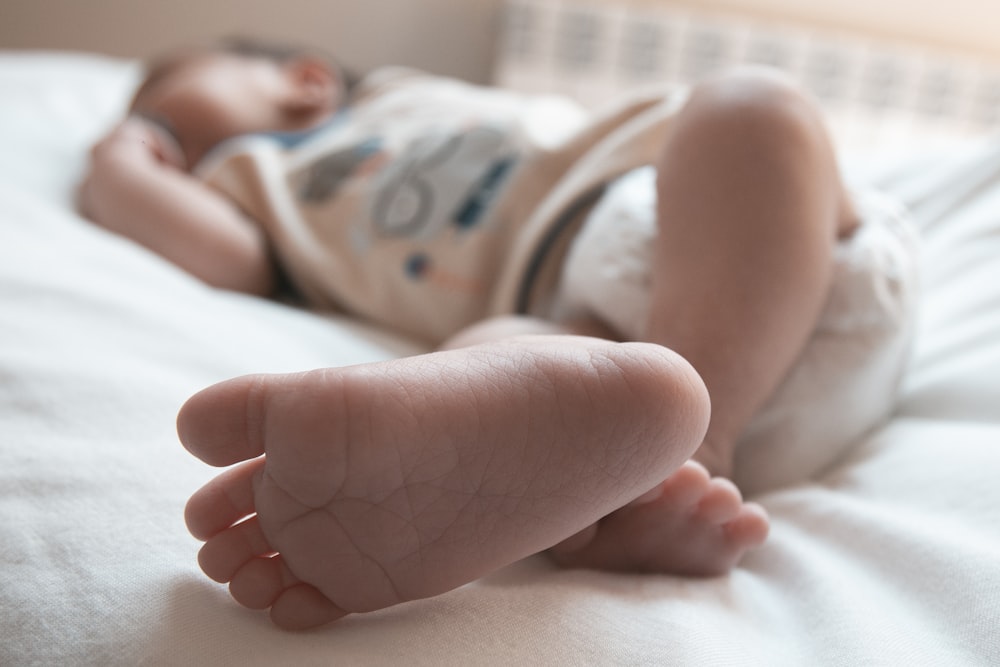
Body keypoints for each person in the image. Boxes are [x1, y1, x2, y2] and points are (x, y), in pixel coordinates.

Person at [79, 39, 916, 630]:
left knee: (750, 107)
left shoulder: (393, 96)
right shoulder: (248, 188)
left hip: (716, 230)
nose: (164, 140)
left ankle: (692, 448)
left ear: (304, 76)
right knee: (483, 358)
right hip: (585, 341)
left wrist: (134, 147)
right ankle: (624, 482)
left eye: (169, 112)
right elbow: (223, 258)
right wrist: (121, 164)